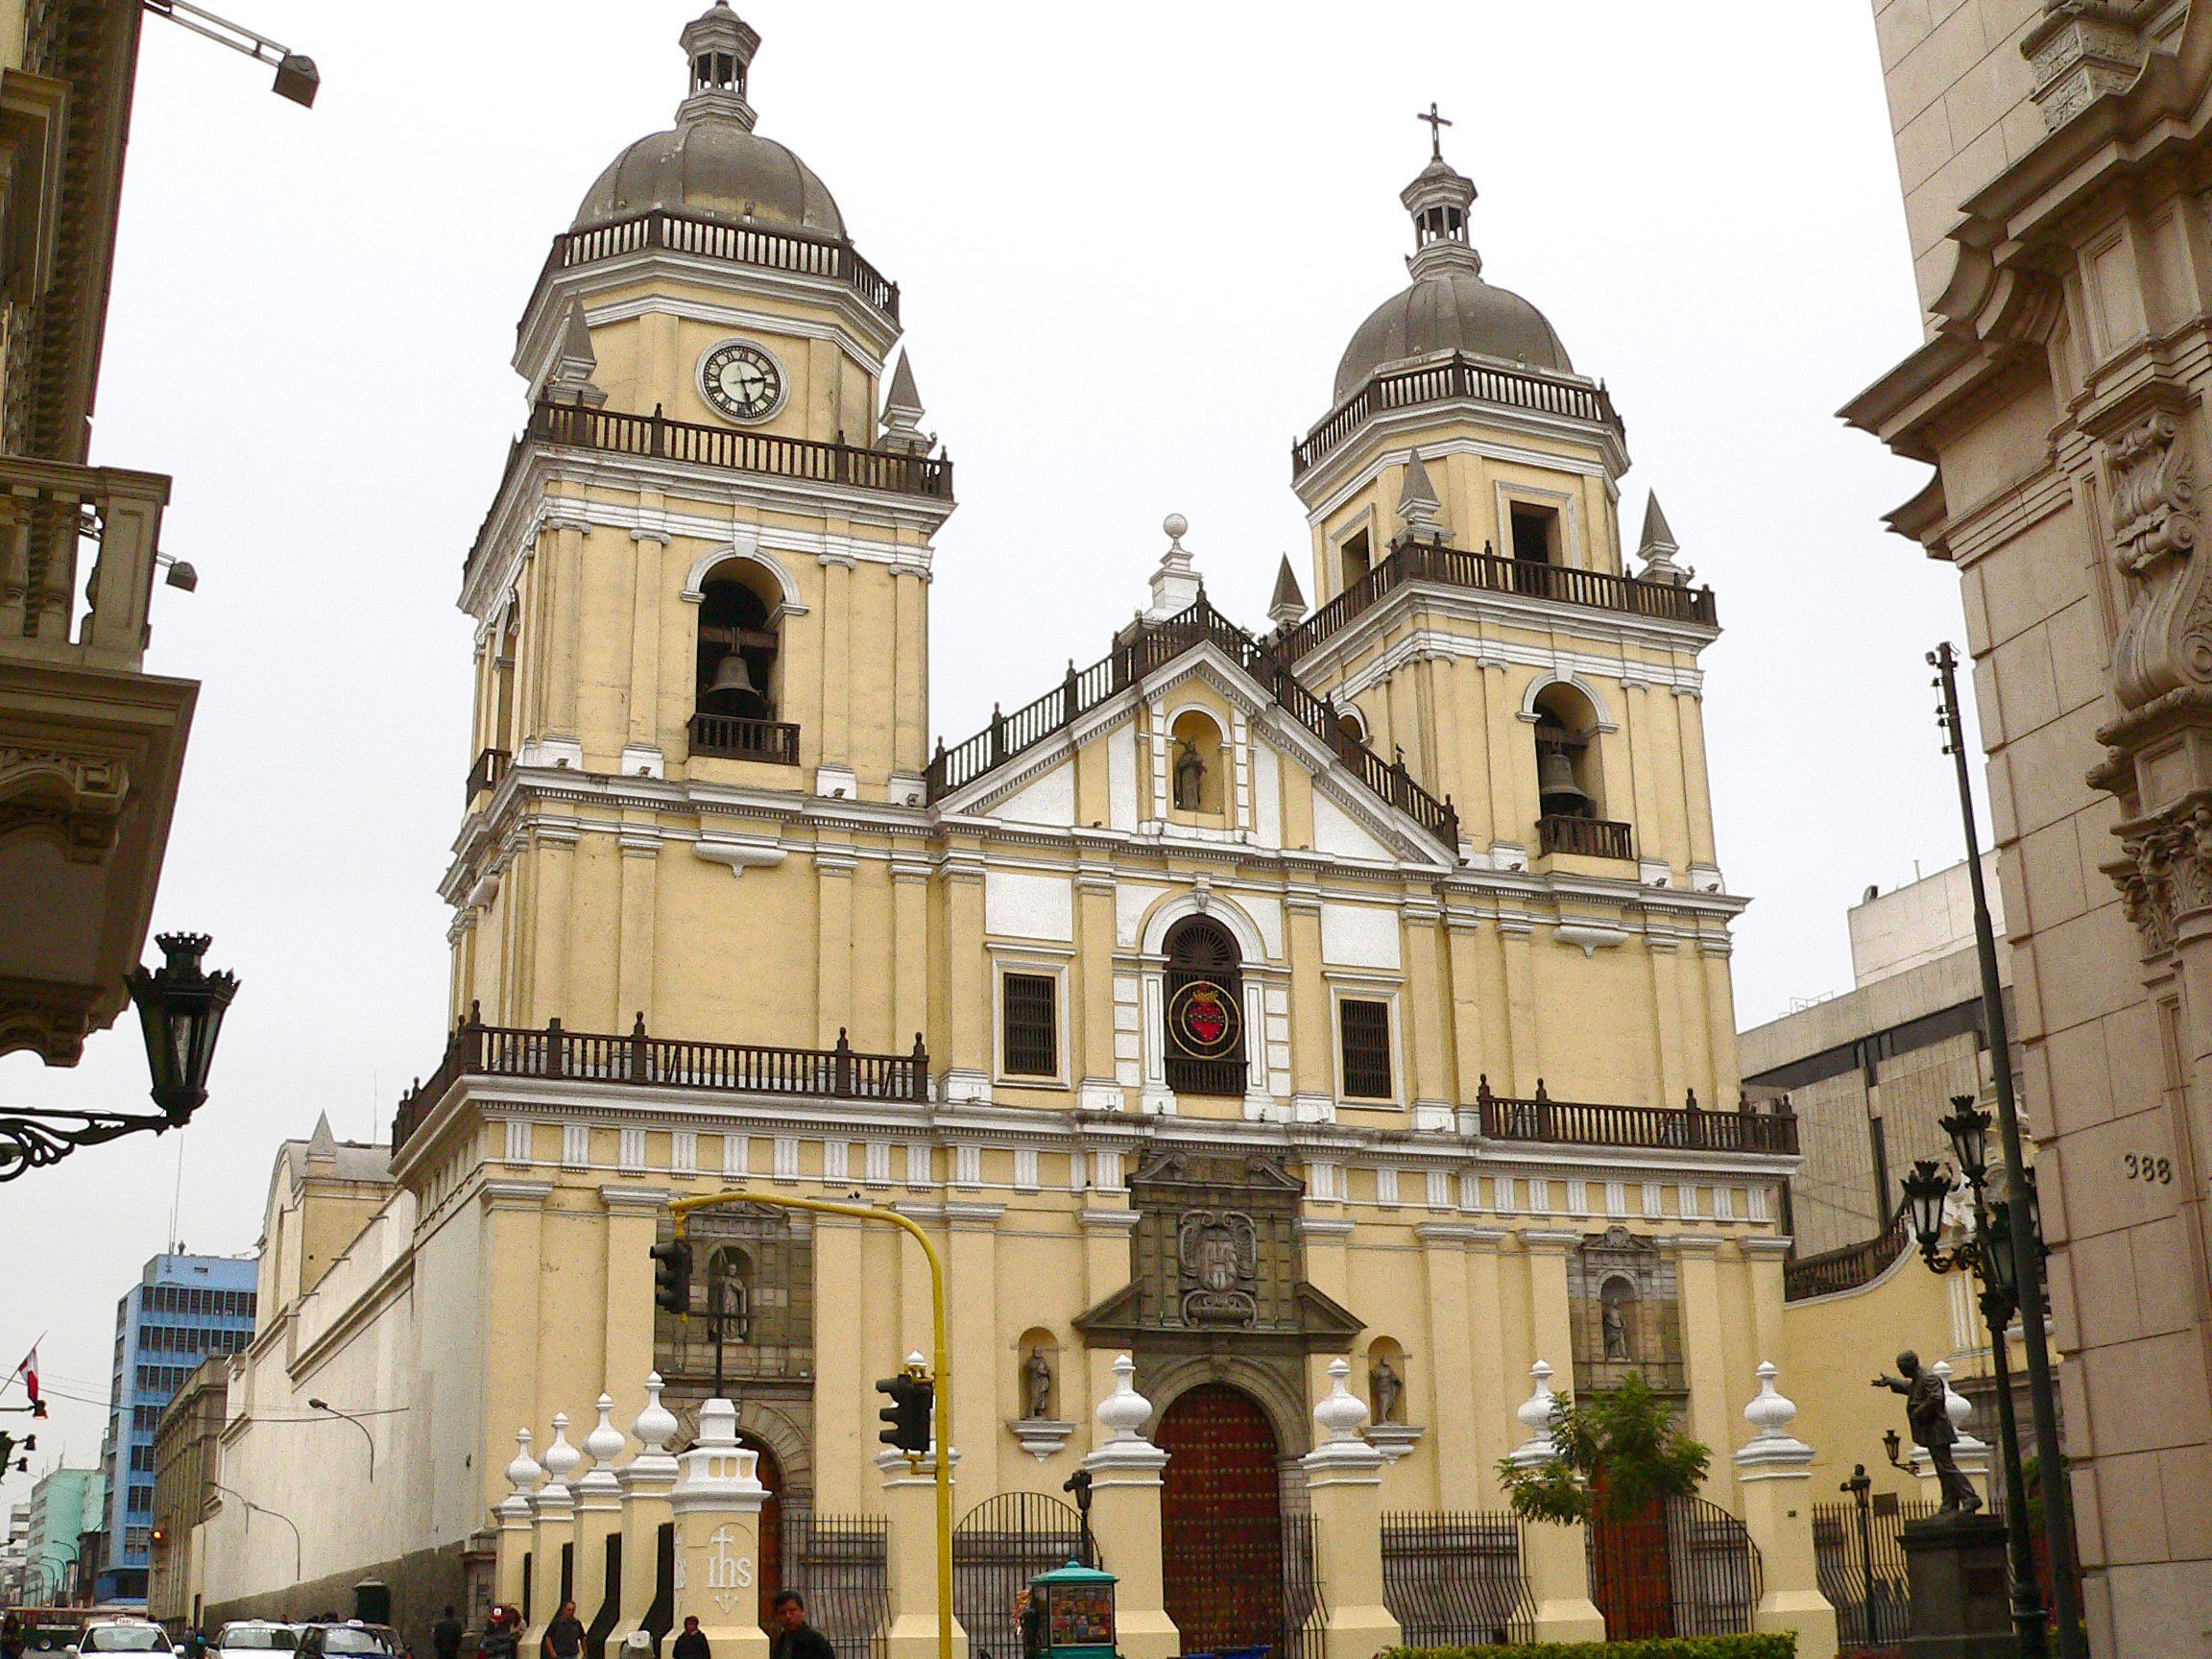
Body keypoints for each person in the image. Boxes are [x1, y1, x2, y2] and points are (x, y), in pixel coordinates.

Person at [1873, 1349, 1983, 1513]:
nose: (1900, 1371)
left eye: (1901, 1367)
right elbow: (1909, 1387)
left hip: (1937, 1430)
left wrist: (1918, 1412)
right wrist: (1891, 1381)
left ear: (1909, 1366)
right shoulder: (1918, 1379)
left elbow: (1936, 1398)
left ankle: (1970, 1498)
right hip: (1931, 1430)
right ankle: (1949, 1504)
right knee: (1942, 1468)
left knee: (1946, 1467)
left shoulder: (1928, 1378)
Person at [768, 1592, 833, 1659]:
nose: (788, 1616)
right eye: (782, 1613)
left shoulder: (816, 1643)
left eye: (792, 1610)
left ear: (802, 1611)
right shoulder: (780, 1642)